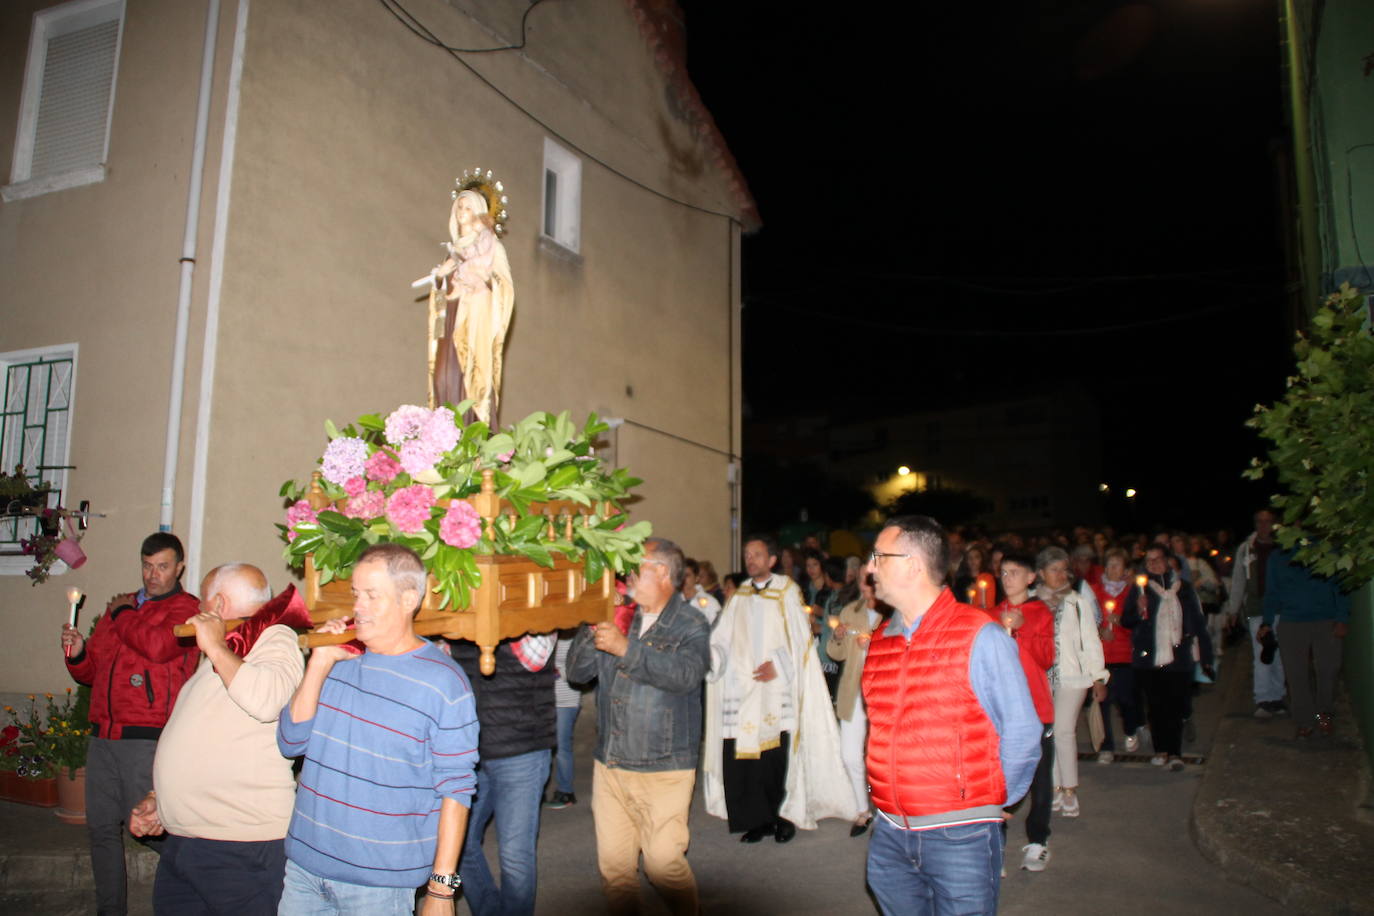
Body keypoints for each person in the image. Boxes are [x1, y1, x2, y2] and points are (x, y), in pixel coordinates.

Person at [276, 543, 478, 915]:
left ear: (408, 599)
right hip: (304, 867)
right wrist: (319, 663)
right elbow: (290, 742)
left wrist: (441, 890)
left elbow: (456, 789)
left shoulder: (444, 683)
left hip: (379, 883)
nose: (358, 606)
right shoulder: (337, 658)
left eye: (372, 595)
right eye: (356, 594)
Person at [862, 516, 1041, 914]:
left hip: (960, 835)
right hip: (890, 831)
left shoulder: (979, 635)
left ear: (912, 564)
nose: (869, 567)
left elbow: (1023, 731)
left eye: (878, 557)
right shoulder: (880, 642)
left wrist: (990, 802)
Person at [128, 564, 308, 915]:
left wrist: (213, 647)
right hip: (187, 843)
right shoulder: (230, 648)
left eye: (202, 603)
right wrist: (161, 801)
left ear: (218, 604)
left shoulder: (276, 637)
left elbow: (267, 701)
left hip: (241, 848)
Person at [564, 538, 710, 915]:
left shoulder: (690, 622)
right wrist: (594, 621)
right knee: (615, 872)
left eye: (634, 567)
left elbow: (686, 675)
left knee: (663, 865)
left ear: (662, 573)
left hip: (663, 766)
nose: (625, 576)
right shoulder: (621, 614)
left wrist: (626, 649)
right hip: (610, 762)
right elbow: (577, 673)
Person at [61, 531, 200, 916]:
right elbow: (93, 671)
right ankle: (111, 910)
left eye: (162, 566)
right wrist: (77, 654)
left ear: (179, 568)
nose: (153, 575)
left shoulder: (185, 608)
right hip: (103, 734)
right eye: (147, 565)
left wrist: (124, 613)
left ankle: (205, 885)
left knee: (155, 832)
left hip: (147, 737)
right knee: (101, 830)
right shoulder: (121, 608)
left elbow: (158, 648)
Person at [703, 535, 854, 843]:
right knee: (745, 759)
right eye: (747, 555)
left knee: (775, 759)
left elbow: (800, 639)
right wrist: (711, 657)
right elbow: (722, 637)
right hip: (743, 690)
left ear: (771, 560)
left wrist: (779, 665)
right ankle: (757, 820)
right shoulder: (740, 595)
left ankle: (781, 816)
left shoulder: (787, 591)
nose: (751, 560)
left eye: (757, 555)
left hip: (775, 690)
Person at [447, 628, 557, 916]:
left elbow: (535, 658)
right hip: (471, 751)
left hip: (522, 749)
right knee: (458, 843)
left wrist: (493, 620)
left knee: (514, 856)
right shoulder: (462, 618)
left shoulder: (535, 613)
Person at [426, 187, 515, 423]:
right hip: (450, 320)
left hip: (474, 321)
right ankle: (443, 435)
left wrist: (478, 274)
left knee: (468, 380)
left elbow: (504, 287)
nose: (462, 212)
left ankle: (470, 436)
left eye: (468, 208)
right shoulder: (450, 254)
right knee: (442, 378)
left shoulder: (492, 248)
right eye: (459, 207)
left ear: (478, 214)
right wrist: (440, 278)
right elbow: (439, 300)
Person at [1121, 545, 1213, 770]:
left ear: (1168, 561)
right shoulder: (1140, 589)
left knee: (1175, 704)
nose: (1154, 564)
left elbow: (1198, 622)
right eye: (1149, 561)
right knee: (1156, 705)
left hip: (1179, 655)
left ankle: (1175, 752)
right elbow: (1127, 621)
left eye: (1158, 559)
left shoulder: (1184, 588)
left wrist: (1206, 656)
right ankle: (1162, 749)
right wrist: (1137, 609)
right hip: (1149, 657)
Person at [991, 553, 1056, 872]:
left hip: (1034, 706)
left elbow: (1045, 658)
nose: (1007, 578)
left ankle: (1038, 841)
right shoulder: (991, 614)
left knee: (1040, 778)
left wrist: (1021, 630)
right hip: (1000, 711)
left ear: (1031, 578)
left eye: (1015, 572)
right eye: (1003, 572)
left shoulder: (1039, 612)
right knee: (998, 779)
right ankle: (995, 845)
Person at [1035, 546, 1107, 819]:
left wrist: (1098, 675)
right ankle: (1053, 786)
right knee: (1048, 732)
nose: (1060, 574)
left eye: (1063, 569)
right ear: (1041, 573)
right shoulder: (1032, 601)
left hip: (1073, 676)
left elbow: (1091, 639)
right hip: (1042, 677)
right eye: (1054, 569)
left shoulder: (1077, 601)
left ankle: (1069, 789)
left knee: (1064, 730)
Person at [1262, 546, 1350, 738]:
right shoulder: (1278, 556)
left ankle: (1323, 714)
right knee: (1296, 673)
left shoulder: (1327, 551)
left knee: (1328, 669)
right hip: (1292, 620)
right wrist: (1266, 622)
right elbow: (1272, 590)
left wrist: (1342, 617)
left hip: (1326, 618)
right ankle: (1304, 720)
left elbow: (1341, 585)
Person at [826, 573, 887, 837]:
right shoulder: (851, 611)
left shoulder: (894, 613)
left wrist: (876, 645)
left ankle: (887, 812)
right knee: (850, 754)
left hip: (884, 692)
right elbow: (835, 653)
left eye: (872, 581)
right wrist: (838, 636)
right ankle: (863, 809)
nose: (868, 587)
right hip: (854, 690)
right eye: (864, 581)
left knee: (882, 757)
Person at [1225, 509, 1287, 717]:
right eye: (1260, 522)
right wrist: (1233, 609)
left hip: (1281, 609)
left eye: (1268, 522)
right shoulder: (1247, 549)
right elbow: (1239, 580)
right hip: (1255, 608)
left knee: (1278, 654)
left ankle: (1277, 696)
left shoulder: (1283, 547)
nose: (1263, 526)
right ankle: (1262, 698)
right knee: (1263, 653)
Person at [1091, 548, 1142, 760]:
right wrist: (1099, 630)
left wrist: (1120, 623)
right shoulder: (1095, 591)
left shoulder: (1132, 592)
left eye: (1117, 565)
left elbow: (1139, 620)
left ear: (1125, 570)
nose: (1112, 569)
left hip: (1124, 654)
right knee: (1103, 701)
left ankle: (1131, 730)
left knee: (1126, 699)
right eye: (1109, 564)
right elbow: (1087, 619)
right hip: (1101, 655)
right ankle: (1106, 746)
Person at [545, 632, 582, 810]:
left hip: (566, 699)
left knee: (561, 747)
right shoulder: (551, 632)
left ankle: (566, 791)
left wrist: (555, 670)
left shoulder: (572, 636)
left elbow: (579, 670)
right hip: (546, 698)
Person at [681, 557, 722, 626]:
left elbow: (718, 629)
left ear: (697, 578)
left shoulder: (710, 602)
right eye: (680, 575)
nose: (683, 579)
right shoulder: (672, 601)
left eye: (687, 575)